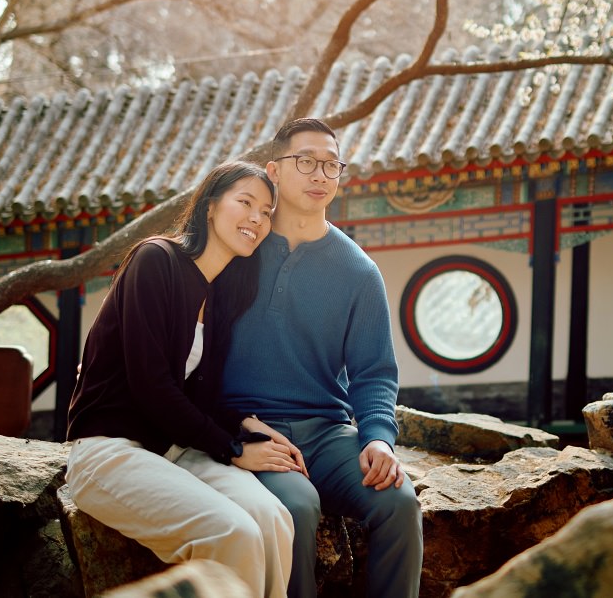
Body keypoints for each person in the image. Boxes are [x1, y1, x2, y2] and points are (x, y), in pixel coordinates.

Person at [65, 161, 303, 598]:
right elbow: (152, 386)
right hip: (109, 450)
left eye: (267, 212)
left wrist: (246, 424)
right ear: (210, 205)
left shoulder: (221, 295)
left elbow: (198, 396)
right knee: (232, 532)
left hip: (173, 448)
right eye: (245, 202)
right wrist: (233, 449)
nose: (257, 218)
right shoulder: (155, 260)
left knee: (272, 517)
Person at [221, 118, 423, 598]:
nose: (320, 175)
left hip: (327, 433)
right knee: (297, 506)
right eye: (306, 161)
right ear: (273, 170)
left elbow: (374, 373)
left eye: (331, 165)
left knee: (400, 503)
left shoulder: (358, 271)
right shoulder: (237, 250)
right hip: (249, 428)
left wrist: (379, 439)